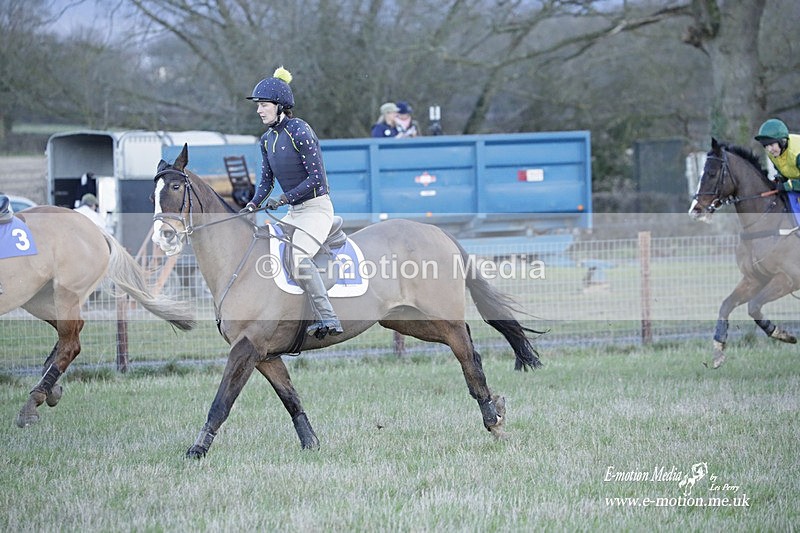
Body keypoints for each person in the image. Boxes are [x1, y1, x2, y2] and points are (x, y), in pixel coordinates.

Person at [240, 66, 343, 339]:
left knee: (298, 258)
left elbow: (317, 178)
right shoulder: (267, 139)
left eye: (264, 105)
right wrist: (251, 205)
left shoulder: (300, 130)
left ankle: (329, 317)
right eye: (258, 106)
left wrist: (283, 198)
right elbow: (265, 181)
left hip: (316, 209)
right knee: (265, 247)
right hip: (295, 212)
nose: (259, 110)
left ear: (280, 106)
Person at [754, 118, 800, 190]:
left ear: (783, 142)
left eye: (771, 145)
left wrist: (788, 186)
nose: (769, 149)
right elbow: (782, 169)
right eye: (766, 145)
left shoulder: (797, 153)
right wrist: (780, 178)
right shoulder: (773, 153)